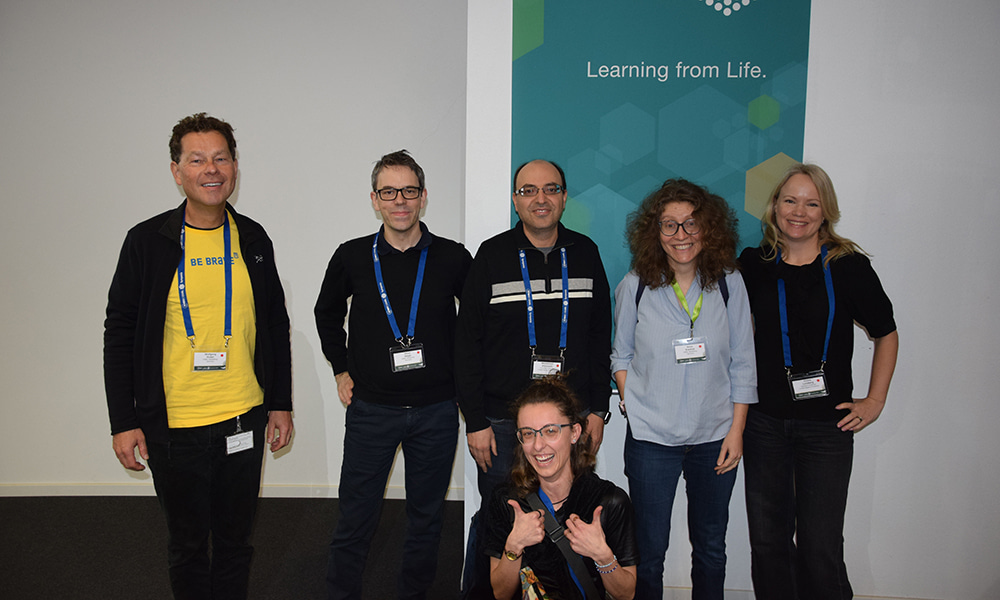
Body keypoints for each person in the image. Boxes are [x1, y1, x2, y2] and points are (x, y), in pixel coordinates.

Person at [103, 113, 294, 599]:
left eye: (221, 157)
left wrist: (280, 402)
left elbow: (274, 324)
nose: (212, 169)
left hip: (242, 420)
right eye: (197, 159)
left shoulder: (252, 238)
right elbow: (119, 332)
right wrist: (122, 420)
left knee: (236, 541)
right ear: (176, 171)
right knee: (187, 545)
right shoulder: (148, 242)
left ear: (234, 165)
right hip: (174, 427)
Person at [315, 150, 473, 600]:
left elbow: (476, 323)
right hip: (372, 410)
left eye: (408, 191)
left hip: (438, 411)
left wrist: (465, 386)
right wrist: (340, 368)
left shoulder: (452, 257)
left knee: (426, 519)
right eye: (389, 192)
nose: (399, 200)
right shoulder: (351, 256)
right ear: (375, 199)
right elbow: (326, 313)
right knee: (356, 517)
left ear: (423, 197)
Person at [738, 163, 898, 600]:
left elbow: (886, 332)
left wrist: (875, 400)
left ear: (826, 211)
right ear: (774, 206)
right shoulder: (754, 264)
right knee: (768, 543)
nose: (799, 211)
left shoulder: (848, 266)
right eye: (790, 200)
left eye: (812, 202)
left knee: (819, 545)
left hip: (827, 427)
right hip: (765, 423)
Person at [456, 159, 613, 598]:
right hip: (503, 423)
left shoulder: (586, 252)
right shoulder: (491, 255)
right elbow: (466, 343)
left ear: (564, 197)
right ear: (515, 199)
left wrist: (598, 408)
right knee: (498, 520)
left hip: (570, 418)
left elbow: (602, 337)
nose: (540, 199)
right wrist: (475, 420)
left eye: (550, 189)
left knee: (570, 521)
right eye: (528, 190)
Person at [611, 179, 757, 599]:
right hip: (652, 440)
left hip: (715, 438)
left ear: (708, 228)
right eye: (669, 225)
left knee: (711, 549)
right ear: (654, 232)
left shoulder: (730, 283)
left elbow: (744, 363)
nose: (680, 236)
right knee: (649, 551)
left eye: (690, 224)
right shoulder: (637, 283)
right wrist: (633, 402)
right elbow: (620, 355)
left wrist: (736, 431)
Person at [484, 376, 638, 600]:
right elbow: (500, 593)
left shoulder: (609, 501)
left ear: (574, 433)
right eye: (528, 433)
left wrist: (603, 556)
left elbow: (626, 594)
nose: (538, 445)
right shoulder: (508, 501)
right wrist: (513, 546)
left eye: (550, 431)